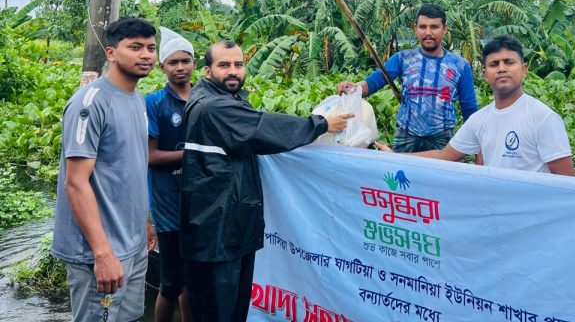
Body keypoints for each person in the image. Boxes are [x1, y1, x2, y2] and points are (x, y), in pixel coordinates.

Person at [179, 40, 354, 322]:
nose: (233, 71)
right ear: (208, 71)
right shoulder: (214, 107)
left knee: (233, 310)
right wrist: (320, 124)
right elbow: (262, 127)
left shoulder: (225, 100)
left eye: (238, 64)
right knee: (217, 312)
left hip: (228, 228)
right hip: (217, 234)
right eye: (224, 65)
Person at [52, 17, 158, 322]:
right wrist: (102, 253)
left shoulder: (136, 98)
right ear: (111, 53)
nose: (146, 55)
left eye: (151, 48)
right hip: (99, 251)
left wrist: (145, 222)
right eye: (135, 47)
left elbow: (133, 167)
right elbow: (75, 183)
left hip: (133, 243)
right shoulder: (90, 102)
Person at [377, 35, 575, 175]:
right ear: (485, 75)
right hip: (495, 217)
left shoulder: (543, 118)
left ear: (524, 70)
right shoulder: (479, 120)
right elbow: (444, 156)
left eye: (509, 62)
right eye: (494, 64)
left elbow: (567, 182)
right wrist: (396, 157)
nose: (502, 69)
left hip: (534, 223)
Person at [338, 3, 478, 153]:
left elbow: (469, 109)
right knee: (399, 175)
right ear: (415, 28)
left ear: (444, 28)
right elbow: (375, 81)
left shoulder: (460, 65)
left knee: (438, 175)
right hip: (407, 136)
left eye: (434, 27)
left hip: (442, 138)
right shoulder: (402, 59)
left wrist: (477, 148)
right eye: (423, 27)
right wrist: (354, 87)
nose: (428, 32)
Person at [146, 27, 195, 322]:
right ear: (162, 66)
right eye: (173, 62)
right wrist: (196, 153)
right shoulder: (154, 103)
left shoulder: (205, 98)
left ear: (195, 63)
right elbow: (150, 156)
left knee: (192, 279)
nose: (180, 68)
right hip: (168, 205)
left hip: (201, 202)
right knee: (171, 282)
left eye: (185, 61)